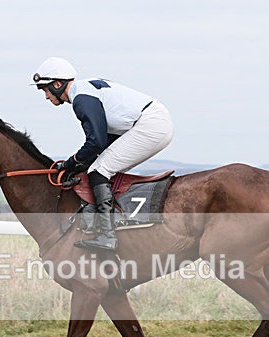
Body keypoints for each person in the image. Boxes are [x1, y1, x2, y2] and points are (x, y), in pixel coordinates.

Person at [31, 57, 174, 251]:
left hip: (150, 124)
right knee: (98, 166)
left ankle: (107, 235)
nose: (46, 96)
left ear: (57, 84)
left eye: (46, 90)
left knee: (99, 170)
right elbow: (103, 140)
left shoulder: (81, 99)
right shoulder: (85, 91)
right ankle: (115, 219)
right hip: (151, 122)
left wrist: (70, 163)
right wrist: (80, 163)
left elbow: (96, 142)